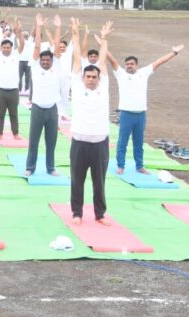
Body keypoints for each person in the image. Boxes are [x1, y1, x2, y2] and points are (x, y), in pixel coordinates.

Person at [106, 43, 184, 175]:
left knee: (139, 142)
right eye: (127, 64)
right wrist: (103, 43)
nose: (129, 66)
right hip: (126, 114)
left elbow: (160, 61)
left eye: (131, 64)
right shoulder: (121, 74)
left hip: (140, 115)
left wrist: (174, 53)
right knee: (122, 142)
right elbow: (112, 59)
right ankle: (120, 165)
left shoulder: (144, 72)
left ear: (137, 65)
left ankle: (139, 166)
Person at [69, 18, 112, 226]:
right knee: (77, 180)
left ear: (99, 78)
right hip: (79, 141)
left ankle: (100, 214)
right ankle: (76, 213)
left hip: (100, 143)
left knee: (99, 182)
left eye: (95, 77)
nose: (92, 79)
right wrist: (75, 34)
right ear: (84, 78)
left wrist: (104, 39)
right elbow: (77, 59)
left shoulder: (104, 88)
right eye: (89, 77)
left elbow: (102, 61)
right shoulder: (77, 88)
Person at [26, 14, 63, 177]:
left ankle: (51, 167)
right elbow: (36, 48)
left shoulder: (56, 67)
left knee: (51, 141)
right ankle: (30, 167)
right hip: (37, 109)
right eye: (44, 60)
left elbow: (56, 48)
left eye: (48, 60)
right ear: (40, 61)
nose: (46, 62)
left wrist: (58, 27)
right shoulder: (35, 67)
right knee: (33, 141)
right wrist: (39, 27)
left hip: (52, 110)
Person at [0, 16, 25, 140]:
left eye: (8, 47)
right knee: (0, 114)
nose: (6, 49)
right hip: (0, 89)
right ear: (1, 48)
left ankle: (15, 133)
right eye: (4, 47)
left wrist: (19, 32)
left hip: (13, 90)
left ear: (11, 48)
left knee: (13, 114)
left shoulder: (16, 55)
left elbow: (22, 44)